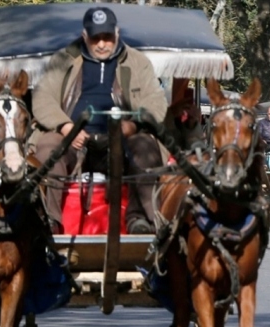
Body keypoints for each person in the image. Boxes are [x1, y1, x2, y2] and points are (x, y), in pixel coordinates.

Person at [30, 7, 168, 234]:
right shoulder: (63, 59)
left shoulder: (138, 62)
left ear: (117, 33)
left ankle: (141, 220)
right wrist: (66, 127)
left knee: (145, 146)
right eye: (95, 38)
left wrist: (132, 125)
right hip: (74, 141)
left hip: (121, 141)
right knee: (47, 148)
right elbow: (42, 98)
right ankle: (49, 222)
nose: (102, 44)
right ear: (85, 36)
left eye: (107, 37)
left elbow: (156, 103)